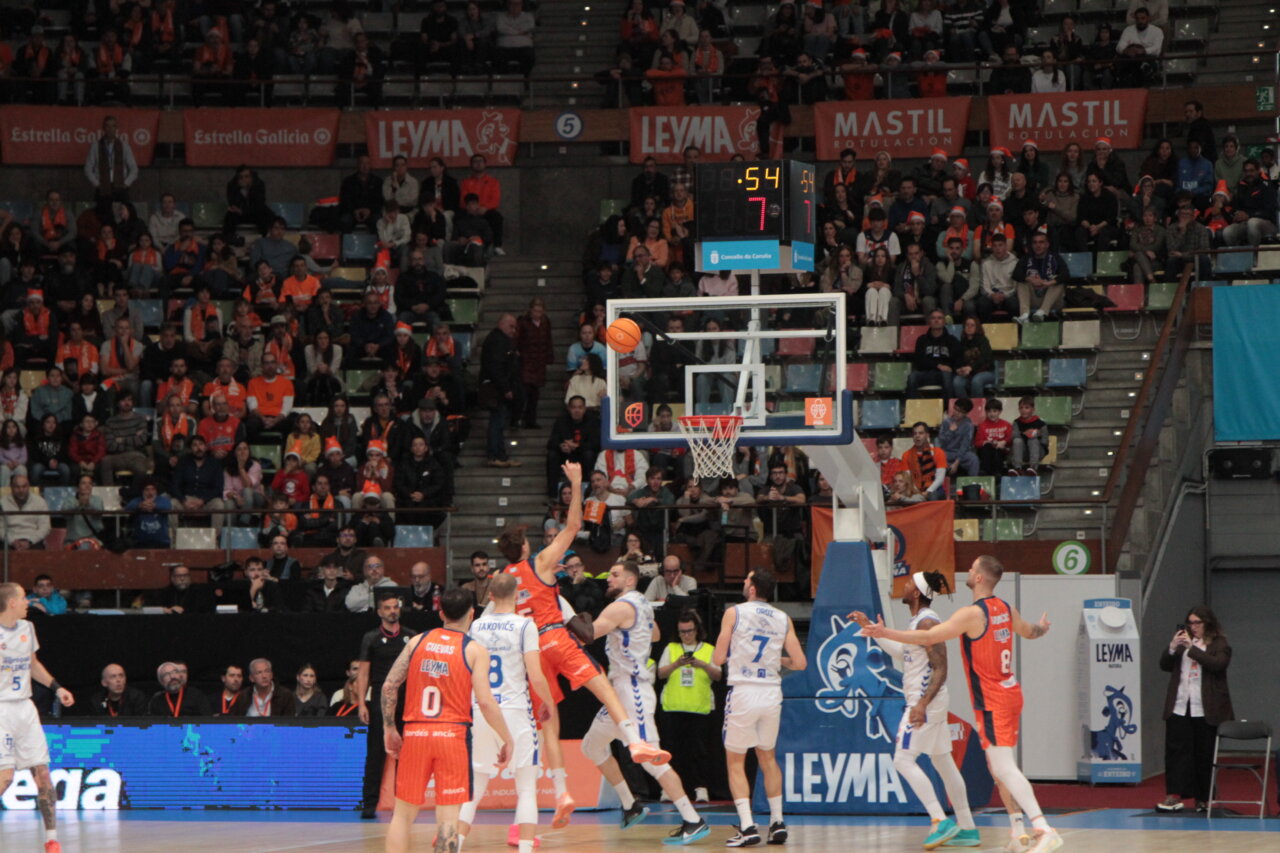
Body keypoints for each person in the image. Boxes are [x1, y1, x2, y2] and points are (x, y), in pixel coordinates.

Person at [499, 463, 670, 831]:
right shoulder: (540, 562)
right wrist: (577, 485)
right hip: (552, 636)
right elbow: (574, 526)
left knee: (549, 722)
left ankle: (562, 790)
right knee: (602, 684)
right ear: (526, 546)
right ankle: (633, 740)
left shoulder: (501, 583)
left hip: (528, 653)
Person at [859, 555, 1062, 853]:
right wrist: (1043, 628)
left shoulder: (971, 614)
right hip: (1008, 693)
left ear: (979, 578)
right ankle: (984, 828)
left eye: (972, 567)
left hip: (991, 698)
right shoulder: (1005, 608)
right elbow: (1030, 632)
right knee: (972, 763)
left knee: (1002, 768)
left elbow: (929, 637)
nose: (968, 570)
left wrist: (883, 631)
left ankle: (1042, 827)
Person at [582, 561, 711, 844]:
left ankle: (693, 819)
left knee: (652, 759)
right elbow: (655, 634)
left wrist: (564, 620)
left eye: (615, 575)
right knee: (591, 745)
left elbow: (587, 634)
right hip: (620, 692)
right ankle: (630, 804)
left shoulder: (620, 607)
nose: (609, 579)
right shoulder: (641, 601)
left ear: (630, 580)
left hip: (633, 691)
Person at [860, 572, 978, 847]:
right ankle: (968, 828)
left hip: (925, 702)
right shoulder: (916, 622)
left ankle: (940, 820)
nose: (904, 585)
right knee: (943, 763)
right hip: (929, 701)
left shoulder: (928, 621)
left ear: (916, 593)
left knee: (902, 760)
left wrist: (922, 704)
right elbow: (902, 652)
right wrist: (872, 630)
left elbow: (941, 667)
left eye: (909, 583)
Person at [457, 572, 558, 853]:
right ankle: (525, 849)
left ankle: (456, 845)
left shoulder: (476, 626)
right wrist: (548, 702)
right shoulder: (525, 625)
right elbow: (536, 677)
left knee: (474, 788)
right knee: (526, 787)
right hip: (515, 711)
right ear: (517, 596)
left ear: (489, 596)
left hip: (482, 709)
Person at [712, 568, 806, 847]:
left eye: (746, 580)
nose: (743, 582)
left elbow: (717, 658)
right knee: (768, 758)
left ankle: (747, 826)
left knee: (735, 761)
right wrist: (780, 661)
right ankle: (777, 822)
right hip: (771, 693)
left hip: (744, 690)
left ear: (752, 588)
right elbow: (800, 663)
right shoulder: (783, 617)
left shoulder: (735, 612)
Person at [0, 583, 75, 853]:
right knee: (5, 777)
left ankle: (51, 839)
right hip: (1, 708)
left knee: (42, 771)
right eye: (22, 598)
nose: (27, 603)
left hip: (25, 707)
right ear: (10, 603)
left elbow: (33, 665)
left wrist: (58, 688)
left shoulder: (26, 628)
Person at [1157, 606, 1232, 814]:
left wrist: (1193, 649)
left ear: (1207, 623)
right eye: (1190, 622)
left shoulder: (1219, 644)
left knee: (1203, 754)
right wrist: (1172, 647)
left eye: (1197, 622)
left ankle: (1203, 799)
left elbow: (1218, 664)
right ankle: (1173, 795)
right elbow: (1164, 665)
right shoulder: (1183, 644)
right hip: (1180, 705)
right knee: (1176, 753)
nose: (1193, 627)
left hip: (1205, 708)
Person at [354, 593, 419, 819]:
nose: (392, 611)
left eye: (395, 607)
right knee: (375, 754)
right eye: (387, 608)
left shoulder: (411, 637)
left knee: (406, 755)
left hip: (407, 702)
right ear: (380, 612)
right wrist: (362, 702)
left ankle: (402, 804)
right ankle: (369, 804)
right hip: (380, 702)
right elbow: (363, 673)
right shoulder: (370, 638)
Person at [657, 609, 721, 805]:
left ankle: (700, 789)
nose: (686, 635)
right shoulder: (671, 648)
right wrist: (677, 664)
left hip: (699, 707)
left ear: (697, 630)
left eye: (689, 631)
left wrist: (702, 664)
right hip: (673, 706)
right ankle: (669, 789)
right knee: (670, 750)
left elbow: (718, 675)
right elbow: (660, 674)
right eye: (682, 631)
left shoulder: (709, 649)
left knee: (699, 751)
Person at [481, 313, 521, 468]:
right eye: (511, 326)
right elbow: (496, 368)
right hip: (495, 389)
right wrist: (506, 388)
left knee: (499, 421)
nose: (513, 330)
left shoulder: (497, 339)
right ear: (502, 324)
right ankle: (495, 455)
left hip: (497, 387)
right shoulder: (498, 341)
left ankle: (500, 455)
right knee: (497, 422)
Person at [83, 115, 139, 220]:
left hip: (120, 189)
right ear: (103, 128)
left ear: (116, 128)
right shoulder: (96, 146)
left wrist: (126, 184)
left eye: (113, 126)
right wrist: (97, 184)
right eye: (107, 126)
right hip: (103, 189)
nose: (110, 129)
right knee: (103, 218)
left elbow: (134, 169)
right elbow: (88, 169)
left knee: (122, 218)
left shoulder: (124, 145)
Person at [907, 309, 960, 399]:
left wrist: (949, 368)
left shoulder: (952, 340)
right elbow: (919, 361)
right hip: (925, 373)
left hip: (943, 374)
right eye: (933, 318)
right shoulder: (922, 340)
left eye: (939, 318)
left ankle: (947, 410)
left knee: (946, 375)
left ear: (944, 322)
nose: (936, 320)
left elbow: (956, 359)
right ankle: (913, 409)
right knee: (912, 376)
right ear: (929, 322)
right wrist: (938, 365)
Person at [0, 475, 50, 551]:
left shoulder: (40, 502)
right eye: (17, 487)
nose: (21, 490)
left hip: (33, 541)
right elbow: (1, 528)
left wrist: (30, 541)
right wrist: (12, 541)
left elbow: (45, 527)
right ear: (11, 487)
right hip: (9, 541)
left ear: (29, 486)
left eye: (24, 487)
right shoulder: (2, 503)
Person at [147, 661, 213, 717]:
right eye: (166, 674)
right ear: (161, 681)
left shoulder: (196, 695)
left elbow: (207, 720)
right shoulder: (156, 700)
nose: (172, 677)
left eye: (175, 672)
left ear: (180, 675)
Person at [903, 422, 947, 500]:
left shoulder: (938, 452)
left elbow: (940, 479)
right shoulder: (906, 455)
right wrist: (918, 493)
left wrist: (927, 492)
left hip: (935, 490)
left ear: (927, 435)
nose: (917, 436)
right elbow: (908, 479)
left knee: (932, 496)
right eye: (914, 433)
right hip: (915, 490)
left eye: (921, 433)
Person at [938, 399, 979, 478]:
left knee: (974, 459)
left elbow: (965, 445)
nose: (956, 412)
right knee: (937, 457)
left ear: (966, 413)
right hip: (947, 452)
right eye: (955, 409)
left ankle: (972, 483)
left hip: (961, 453)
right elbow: (941, 441)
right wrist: (950, 431)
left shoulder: (968, 425)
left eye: (960, 411)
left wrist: (956, 462)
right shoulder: (946, 422)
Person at [975, 399, 1015, 477]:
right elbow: (977, 443)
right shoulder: (982, 426)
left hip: (1001, 451)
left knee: (998, 449)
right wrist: (985, 442)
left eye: (994, 411)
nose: (992, 414)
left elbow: (1011, 437)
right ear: (986, 412)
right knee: (988, 447)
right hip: (986, 452)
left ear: (1000, 412)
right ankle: (985, 472)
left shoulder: (1006, 424)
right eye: (989, 411)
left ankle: (998, 473)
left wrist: (1004, 442)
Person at [1011, 397, 1048, 475]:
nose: (1023, 410)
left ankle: (1033, 467)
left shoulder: (1040, 423)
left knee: (1033, 439)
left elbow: (1045, 442)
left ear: (1033, 410)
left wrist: (1039, 434)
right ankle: (1018, 468)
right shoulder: (1016, 422)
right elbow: (1014, 436)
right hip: (1023, 453)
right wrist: (1024, 433)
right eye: (1021, 408)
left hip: (1038, 452)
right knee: (1017, 441)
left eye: (1027, 408)